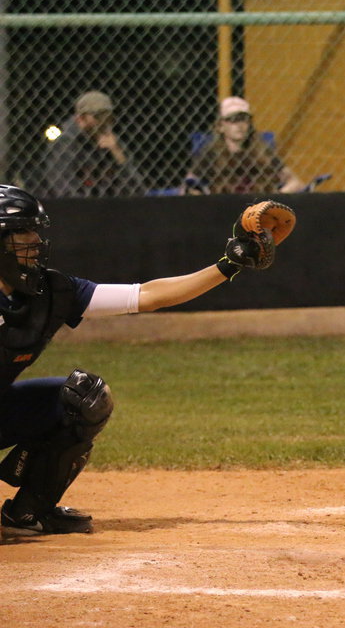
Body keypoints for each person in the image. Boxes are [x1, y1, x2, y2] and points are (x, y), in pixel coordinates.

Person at [0, 185, 279, 535]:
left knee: (85, 397)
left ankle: (28, 514)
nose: (35, 240)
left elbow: (146, 295)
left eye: (35, 230)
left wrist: (228, 265)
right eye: (22, 232)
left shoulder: (49, 291)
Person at [187, 97, 306, 195]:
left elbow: (295, 182)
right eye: (233, 120)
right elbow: (191, 183)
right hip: (223, 207)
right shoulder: (211, 153)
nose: (239, 125)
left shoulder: (263, 150)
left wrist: (278, 196)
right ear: (220, 126)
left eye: (244, 119)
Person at [42, 91, 146, 198]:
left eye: (108, 116)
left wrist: (118, 154)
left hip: (110, 208)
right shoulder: (65, 142)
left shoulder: (112, 142)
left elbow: (137, 189)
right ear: (80, 119)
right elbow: (63, 190)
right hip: (75, 209)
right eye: (98, 116)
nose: (104, 121)